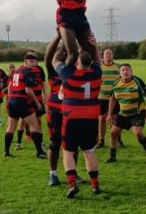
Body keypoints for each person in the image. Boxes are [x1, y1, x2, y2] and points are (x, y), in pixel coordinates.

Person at [52, 36, 102, 198]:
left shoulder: (68, 74)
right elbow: (97, 61)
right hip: (91, 118)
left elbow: (54, 60)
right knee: (89, 151)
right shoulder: (96, 72)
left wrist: (64, 41)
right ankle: (95, 185)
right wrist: (93, 47)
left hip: (72, 118)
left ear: (77, 63)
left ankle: (72, 184)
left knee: (67, 151)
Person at [44, 33, 82, 186]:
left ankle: (73, 172)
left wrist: (83, 41)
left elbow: (85, 55)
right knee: (54, 143)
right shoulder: (53, 69)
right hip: (55, 111)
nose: (65, 54)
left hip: (72, 110)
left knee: (74, 143)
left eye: (68, 52)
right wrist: (59, 35)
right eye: (62, 52)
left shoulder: (75, 70)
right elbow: (49, 55)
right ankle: (53, 174)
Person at [106, 63, 146, 165]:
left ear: (131, 72)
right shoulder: (116, 83)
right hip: (123, 114)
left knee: (138, 133)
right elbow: (112, 98)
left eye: (127, 70)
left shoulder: (137, 81)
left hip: (137, 113)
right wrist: (109, 114)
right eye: (123, 70)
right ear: (120, 73)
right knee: (113, 132)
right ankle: (112, 156)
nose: (125, 72)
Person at [4, 52, 44, 157]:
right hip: (21, 101)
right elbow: (28, 91)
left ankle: (6, 151)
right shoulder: (28, 73)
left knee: (11, 126)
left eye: (35, 61)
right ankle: (39, 152)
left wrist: (9, 99)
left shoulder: (16, 72)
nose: (34, 63)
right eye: (31, 61)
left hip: (12, 101)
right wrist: (37, 103)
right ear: (25, 61)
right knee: (34, 125)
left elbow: (10, 86)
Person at [97, 49, 123, 148]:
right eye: (106, 53)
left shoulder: (118, 67)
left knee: (115, 119)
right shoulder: (99, 67)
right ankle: (101, 140)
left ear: (112, 55)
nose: (108, 55)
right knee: (102, 119)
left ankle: (117, 140)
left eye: (110, 53)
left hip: (116, 98)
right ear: (103, 56)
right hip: (102, 97)